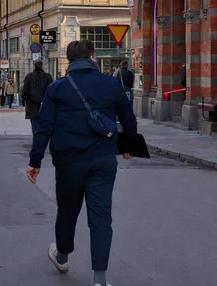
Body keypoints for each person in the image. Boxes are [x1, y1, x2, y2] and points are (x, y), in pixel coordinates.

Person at [27, 40, 137, 286]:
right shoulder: (110, 84)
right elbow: (128, 117)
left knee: (67, 211)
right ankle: (100, 280)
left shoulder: (57, 88)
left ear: (69, 60)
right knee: (101, 218)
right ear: (92, 57)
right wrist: (128, 145)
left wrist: (35, 161)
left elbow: (44, 127)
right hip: (103, 159)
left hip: (69, 162)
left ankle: (63, 257)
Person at [22, 61, 53, 134]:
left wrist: (26, 101)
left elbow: (25, 91)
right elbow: (52, 90)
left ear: (34, 66)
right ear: (42, 66)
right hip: (45, 104)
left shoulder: (29, 76)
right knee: (44, 123)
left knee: (34, 123)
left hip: (32, 104)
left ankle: (36, 138)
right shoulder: (48, 76)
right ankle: (42, 139)